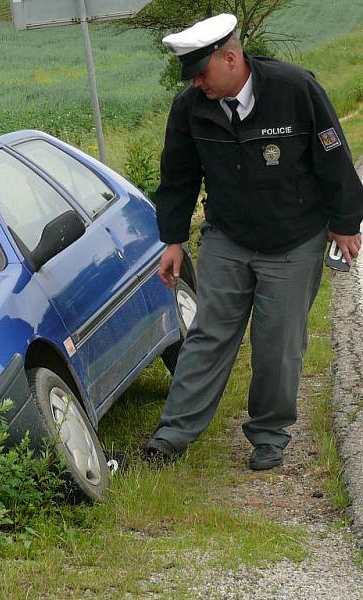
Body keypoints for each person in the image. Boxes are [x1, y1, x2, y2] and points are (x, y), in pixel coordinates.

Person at [143, 13, 363, 470]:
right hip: (228, 236)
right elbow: (178, 178)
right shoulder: (190, 108)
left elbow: (334, 156)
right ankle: (172, 435)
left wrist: (346, 222)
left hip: (293, 238)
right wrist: (173, 241)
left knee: (277, 343)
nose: (197, 84)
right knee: (208, 334)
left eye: (202, 73)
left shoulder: (295, 89)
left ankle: (268, 433)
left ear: (231, 57)